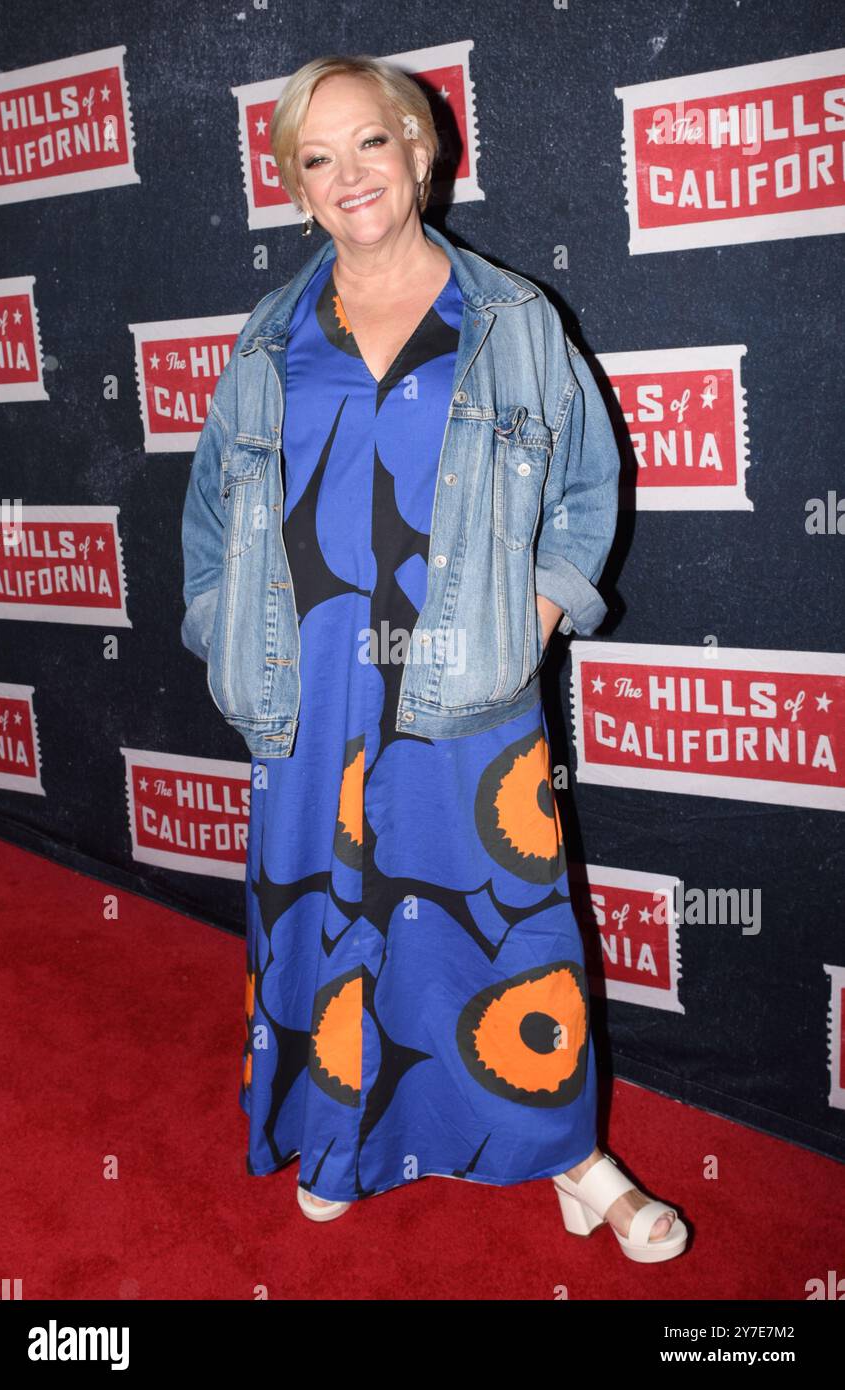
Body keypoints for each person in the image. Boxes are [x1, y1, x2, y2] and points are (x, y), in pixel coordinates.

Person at [184, 53, 688, 1263]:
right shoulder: (266, 341)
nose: (348, 174)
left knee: (507, 930)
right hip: (308, 695)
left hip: (466, 685)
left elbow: (583, 497)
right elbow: (210, 518)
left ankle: (571, 1158)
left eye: (371, 143)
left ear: (422, 151)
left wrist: (541, 613)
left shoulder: (512, 321)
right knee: (323, 919)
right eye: (318, 157)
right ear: (296, 189)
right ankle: (339, 1135)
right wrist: (225, 635)